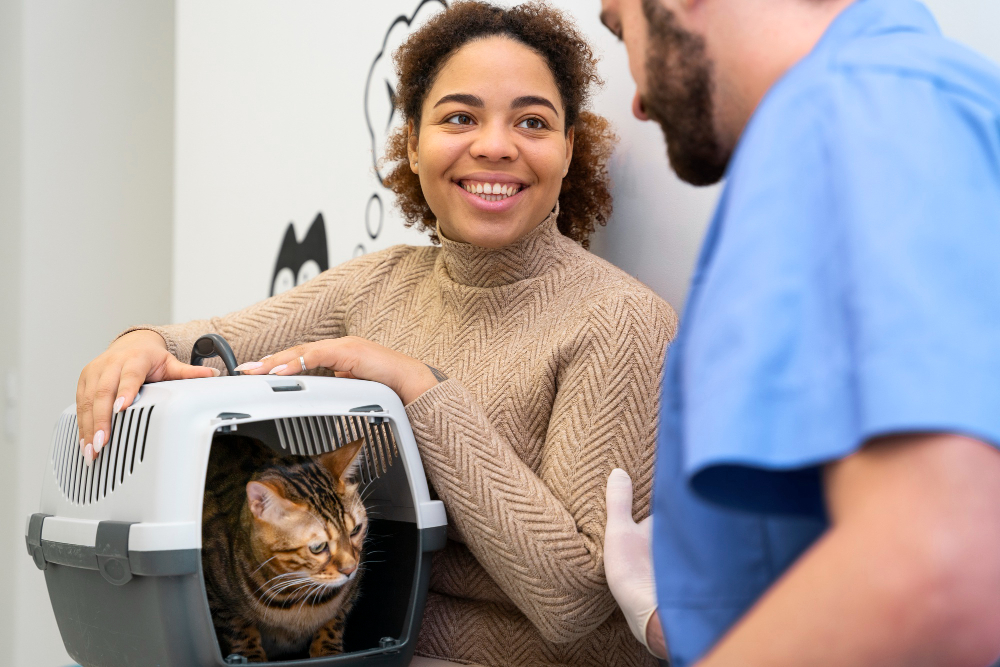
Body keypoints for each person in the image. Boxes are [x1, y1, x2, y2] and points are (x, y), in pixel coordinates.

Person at [74, 3, 676, 666]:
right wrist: (137, 343)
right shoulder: (378, 284)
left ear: (568, 148)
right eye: (460, 117)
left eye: (532, 121)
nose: (495, 144)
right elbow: (204, 341)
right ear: (413, 142)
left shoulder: (619, 321)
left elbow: (573, 604)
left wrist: (416, 386)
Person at [598, 0, 1000, 665]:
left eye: (621, 30)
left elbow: (938, 572)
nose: (636, 100)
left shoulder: (851, 107)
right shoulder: (915, 101)